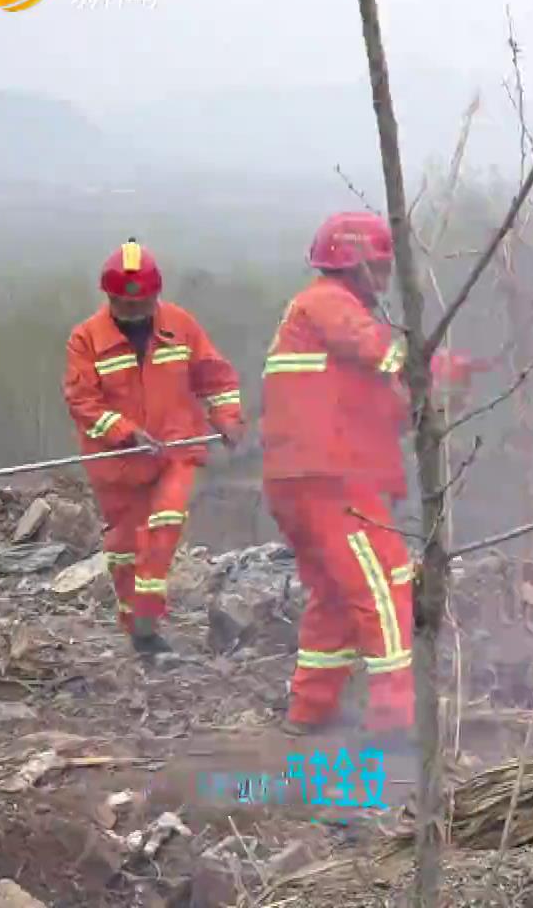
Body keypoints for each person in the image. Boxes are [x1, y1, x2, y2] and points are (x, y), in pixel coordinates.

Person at [260, 211, 417, 739]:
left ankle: (312, 709)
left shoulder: (325, 323)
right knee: (385, 582)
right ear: (356, 264)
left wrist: (423, 394)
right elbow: (381, 351)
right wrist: (430, 363)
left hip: (313, 478)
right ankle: (397, 718)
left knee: (334, 593)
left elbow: (384, 406)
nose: (388, 278)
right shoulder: (328, 302)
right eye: (382, 266)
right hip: (331, 479)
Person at [62, 239, 247, 657]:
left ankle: (148, 614)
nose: (133, 314)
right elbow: (82, 401)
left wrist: (228, 418)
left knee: (163, 526)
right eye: (124, 306)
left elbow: (215, 377)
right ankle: (139, 631)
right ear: (108, 297)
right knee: (125, 549)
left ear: (155, 295)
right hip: (117, 463)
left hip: (175, 451)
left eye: (141, 303)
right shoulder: (86, 339)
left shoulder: (180, 325)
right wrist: (125, 433)